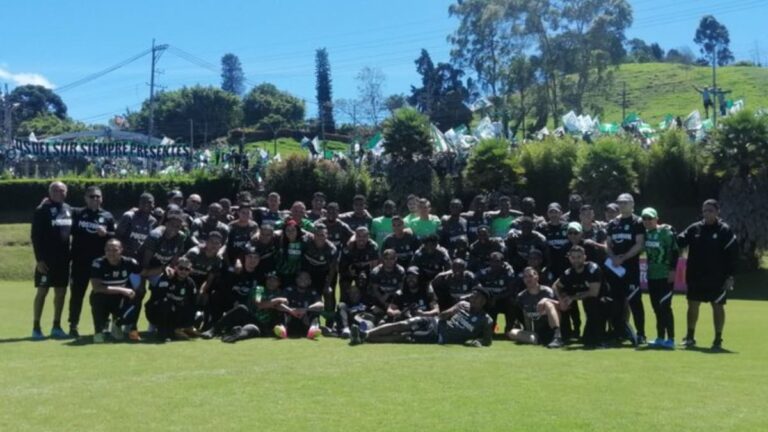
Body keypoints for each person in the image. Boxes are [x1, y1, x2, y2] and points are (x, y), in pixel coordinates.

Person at [677, 199, 738, 351]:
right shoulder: (694, 228)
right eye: (705, 210)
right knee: (692, 305)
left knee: (717, 306)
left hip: (717, 278)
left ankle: (718, 339)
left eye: (710, 210)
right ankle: (690, 337)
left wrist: (730, 276)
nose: (707, 213)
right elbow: (678, 241)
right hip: (695, 275)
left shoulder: (725, 230)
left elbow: (733, 255)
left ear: (718, 211)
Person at [350, 287, 493, 347]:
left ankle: (365, 339)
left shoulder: (486, 320)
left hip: (438, 335)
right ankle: (365, 333)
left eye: (475, 298)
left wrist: (476, 342)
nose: (472, 300)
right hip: (435, 322)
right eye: (472, 297)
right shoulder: (462, 304)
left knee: (404, 336)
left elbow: (487, 341)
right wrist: (454, 309)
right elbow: (442, 316)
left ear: (483, 301)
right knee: (404, 324)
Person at [68, 186, 116, 338]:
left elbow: (115, 237)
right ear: (85, 198)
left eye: (98, 197)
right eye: (91, 196)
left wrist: (106, 233)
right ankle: (73, 325)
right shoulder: (77, 213)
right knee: (77, 295)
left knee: (102, 293)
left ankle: (104, 324)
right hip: (80, 262)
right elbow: (62, 210)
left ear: (102, 198)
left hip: (100, 264)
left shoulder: (107, 216)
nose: (95, 199)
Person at [31, 181, 72, 339]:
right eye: (55, 190)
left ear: (66, 192)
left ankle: (56, 326)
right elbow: (35, 236)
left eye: (62, 190)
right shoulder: (42, 210)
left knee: (61, 293)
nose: (58, 193)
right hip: (46, 261)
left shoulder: (69, 209)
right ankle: (36, 327)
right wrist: (39, 259)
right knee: (42, 291)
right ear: (50, 192)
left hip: (63, 260)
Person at [605, 193, 646, 345]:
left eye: (625, 202)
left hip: (631, 270)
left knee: (635, 302)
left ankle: (641, 334)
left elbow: (639, 244)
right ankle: (618, 333)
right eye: (620, 203)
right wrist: (613, 257)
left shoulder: (638, 222)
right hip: (615, 270)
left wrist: (623, 257)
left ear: (632, 204)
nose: (622, 205)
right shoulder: (612, 223)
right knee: (616, 303)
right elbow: (608, 244)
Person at [202, 273, 287, 343]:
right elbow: (259, 304)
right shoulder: (259, 289)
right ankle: (213, 330)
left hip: (265, 326)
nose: (271, 282)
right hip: (252, 318)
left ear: (279, 283)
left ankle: (236, 336)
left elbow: (282, 308)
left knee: (251, 329)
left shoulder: (281, 293)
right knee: (241, 308)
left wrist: (285, 307)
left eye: (274, 280)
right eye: (269, 279)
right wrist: (277, 300)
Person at [89, 239, 141, 343]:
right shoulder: (98, 263)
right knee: (97, 297)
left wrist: (165, 268)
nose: (111, 253)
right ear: (104, 250)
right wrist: (122, 289)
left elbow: (144, 272)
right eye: (108, 250)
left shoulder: (129, 262)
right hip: (103, 299)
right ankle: (98, 332)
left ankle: (118, 324)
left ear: (121, 250)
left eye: (115, 250)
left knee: (136, 298)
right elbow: (97, 287)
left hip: (120, 300)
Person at [641, 208, 679, 349]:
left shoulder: (665, 232)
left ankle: (671, 339)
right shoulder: (645, 234)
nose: (647, 221)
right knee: (656, 308)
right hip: (652, 275)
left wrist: (672, 270)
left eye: (650, 218)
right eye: (644, 218)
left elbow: (675, 251)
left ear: (657, 218)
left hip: (665, 275)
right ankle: (660, 337)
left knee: (665, 307)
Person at [552, 246, 604, 348]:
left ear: (585, 257)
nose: (576, 260)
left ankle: (600, 337)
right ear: (569, 258)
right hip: (583, 299)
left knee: (591, 302)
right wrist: (562, 300)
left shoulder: (592, 269)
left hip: (604, 302)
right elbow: (556, 286)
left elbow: (594, 292)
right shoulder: (569, 273)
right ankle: (565, 334)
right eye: (573, 257)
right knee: (564, 302)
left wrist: (572, 298)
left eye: (579, 257)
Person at [144, 257, 199, 341]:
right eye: (181, 268)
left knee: (196, 312)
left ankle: (181, 328)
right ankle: (163, 332)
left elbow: (193, 302)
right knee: (165, 303)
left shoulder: (190, 283)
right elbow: (157, 299)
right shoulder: (167, 278)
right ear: (175, 268)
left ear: (190, 270)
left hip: (175, 313)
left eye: (187, 269)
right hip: (156, 312)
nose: (183, 271)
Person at [508, 267, 563, 348]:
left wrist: (546, 300)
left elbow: (562, 307)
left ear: (537, 277)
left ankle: (557, 337)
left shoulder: (547, 291)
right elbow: (522, 315)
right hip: (535, 332)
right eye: (525, 277)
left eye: (530, 276)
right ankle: (538, 340)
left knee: (548, 303)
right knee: (512, 332)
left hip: (550, 327)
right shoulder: (521, 296)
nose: (528, 279)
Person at [476, 252, 519, 332]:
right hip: (489, 301)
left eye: (497, 261)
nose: (494, 263)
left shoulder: (508, 273)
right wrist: (488, 298)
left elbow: (511, 290)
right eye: (492, 261)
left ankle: (509, 330)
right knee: (477, 299)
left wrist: (496, 298)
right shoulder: (483, 273)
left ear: (502, 262)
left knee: (512, 302)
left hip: (503, 301)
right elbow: (477, 287)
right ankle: (483, 328)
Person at [273, 271, 325, 339]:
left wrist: (306, 310)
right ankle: (282, 330)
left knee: (314, 311)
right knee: (283, 311)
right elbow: (278, 304)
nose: (303, 280)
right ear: (296, 280)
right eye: (300, 278)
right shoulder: (289, 290)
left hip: (305, 321)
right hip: (290, 321)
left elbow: (321, 305)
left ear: (310, 281)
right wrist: (290, 310)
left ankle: (313, 330)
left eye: (306, 278)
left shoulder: (312, 292)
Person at [339, 226, 380, 299]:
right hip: (350, 268)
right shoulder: (349, 246)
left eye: (364, 236)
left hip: (366, 270)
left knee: (366, 281)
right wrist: (349, 272)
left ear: (368, 237)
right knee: (344, 282)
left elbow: (375, 267)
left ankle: (365, 303)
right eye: (359, 236)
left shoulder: (373, 247)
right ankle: (344, 302)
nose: (361, 239)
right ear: (355, 236)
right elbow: (341, 265)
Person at [115, 192, 158, 260]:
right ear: (139, 203)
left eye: (149, 202)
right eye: (144, 202)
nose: (146, 204)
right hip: (125, 256)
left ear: (153, 204)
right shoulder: (129, 216)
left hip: (141, 257)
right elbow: (117, 237)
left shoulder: (154, 221)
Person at [226, 201, 259, 265]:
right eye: (243, 213)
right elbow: (226, 244)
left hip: (247, 257)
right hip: (233, 255)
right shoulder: (231, 226)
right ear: (238, 213)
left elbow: (255, 240)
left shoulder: (254, 226)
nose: (246, 215)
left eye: (248, 213)